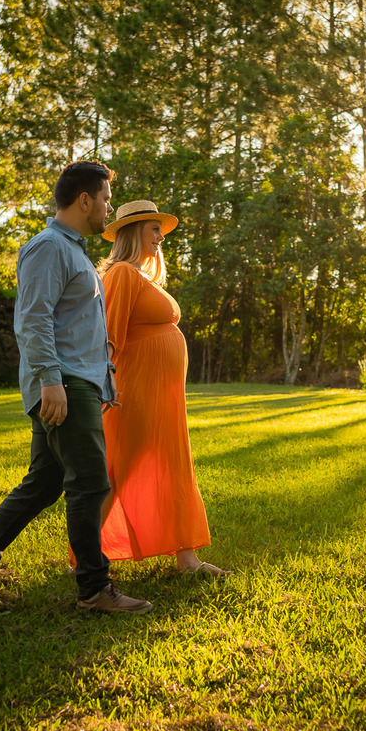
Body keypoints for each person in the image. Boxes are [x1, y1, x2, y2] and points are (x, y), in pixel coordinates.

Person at [0, 161, 153, 615]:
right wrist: (51, 381)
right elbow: (33, 319)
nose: (108, 208)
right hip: (63, 384)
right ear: (84, 200)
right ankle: (94, 589)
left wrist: (104, 385)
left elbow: (80, 327)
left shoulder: (76, 253)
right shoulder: (48, 247)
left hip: (79, 384)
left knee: (43, 484)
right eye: (105, 199)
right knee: (92, 482)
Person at [83, 199, 227, 576]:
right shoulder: (122, 275)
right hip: (135, 389)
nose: (161, 236)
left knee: (172, 465)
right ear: (134, 232)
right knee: (118, 469)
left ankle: (186, 558)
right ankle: (84, 557)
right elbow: (107, 334)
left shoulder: (142, 277)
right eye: (154, 229)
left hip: (162, 394)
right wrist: (108, 380)